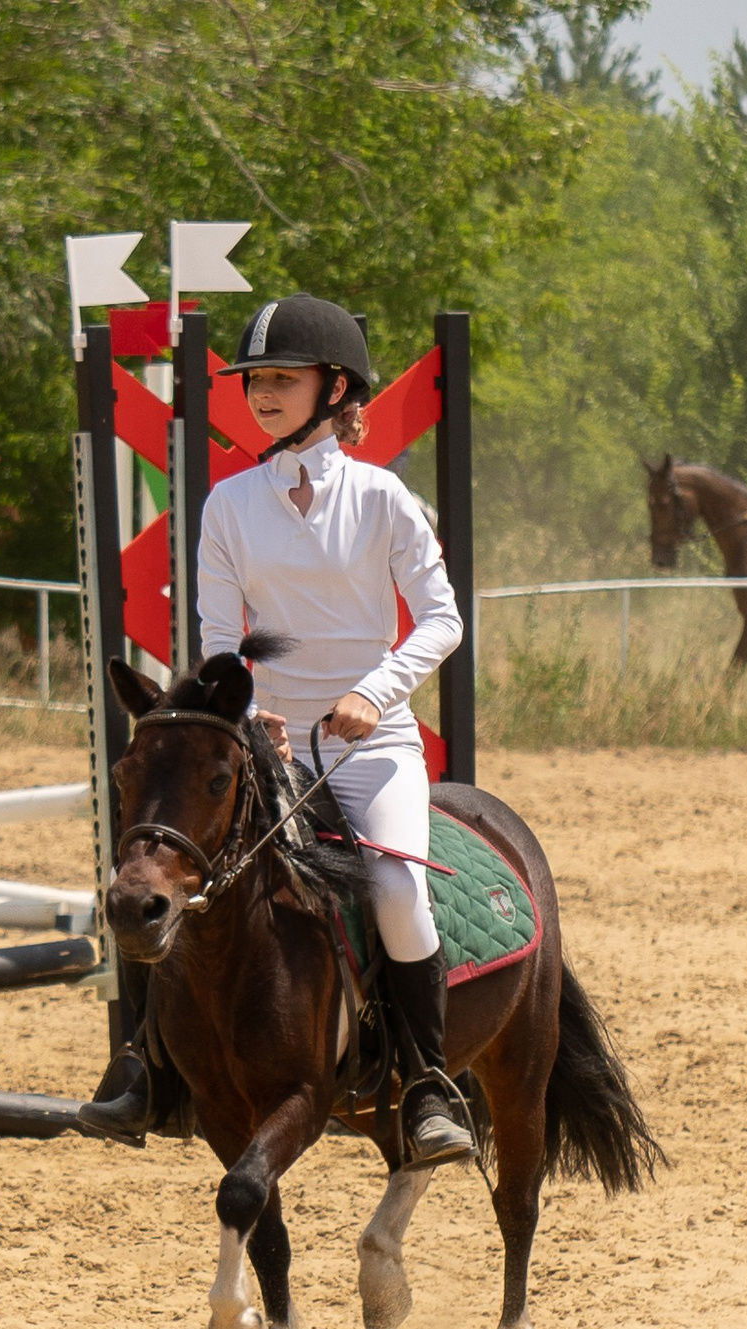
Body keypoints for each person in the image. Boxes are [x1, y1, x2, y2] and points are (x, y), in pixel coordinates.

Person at [81, 293, 474, 1169]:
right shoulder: (230, 505)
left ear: (335, 388)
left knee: (400, 893)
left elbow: (442, 618)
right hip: (268, 748)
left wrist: (375, 691)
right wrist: (245, 708)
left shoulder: (383, 500)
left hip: (373, 747)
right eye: (255, 381)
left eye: (280, 380)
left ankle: (428, 1086)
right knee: (186, 876)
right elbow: (221, 641)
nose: (261, 394)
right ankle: (147, 1065)